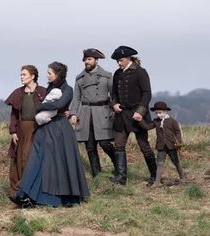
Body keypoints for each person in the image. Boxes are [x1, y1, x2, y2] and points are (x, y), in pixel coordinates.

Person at [10, 61, 90, 208]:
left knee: (58, 164)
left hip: (59, 129)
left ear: (57, 74)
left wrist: (40, 106)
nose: (47, 76)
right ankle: (25, 194)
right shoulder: (50, 88)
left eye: (50, 73)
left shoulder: (68, 89)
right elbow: (51, 104)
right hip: (45, 129)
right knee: (37, 161)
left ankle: (55, 198)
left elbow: (58, 105)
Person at [110, 46, 157, 185]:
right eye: (118, 61)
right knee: (118, 145)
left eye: (121, 60)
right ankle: (121, 177)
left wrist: (140, 112)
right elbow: (113, 94)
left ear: (129, 58)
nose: (119, 63)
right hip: (121, 115)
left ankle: (155, 176)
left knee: (144, 146)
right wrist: (114, 104)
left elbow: (147, 94)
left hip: (137, 115)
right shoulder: (117, 74)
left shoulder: (140, 72)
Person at [70, 48, 115, 177]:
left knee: (105, 143)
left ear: (96, 60)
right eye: (85, 59)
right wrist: (73, 113)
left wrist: (114, 110)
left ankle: (118, 165)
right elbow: (76, 97)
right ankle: (97, 174)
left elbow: (113, 95)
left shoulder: (107, 76)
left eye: (89, 59)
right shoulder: (79, 78)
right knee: (89, 145)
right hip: (85, 113)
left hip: (102, 112)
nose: (87, 62)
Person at [5, 65, 47, 197]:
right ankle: (16, 190)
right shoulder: (18, 92)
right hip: (21, 129)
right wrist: (13, 131)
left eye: (24, 74)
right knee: (18, 158)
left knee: (29, 157)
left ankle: (28, 188)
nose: (21, 77)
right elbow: (14, 114)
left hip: (36, 129)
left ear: (32, 76)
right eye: (21, 74)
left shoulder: (43, 92)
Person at [139, 101, 185, 187]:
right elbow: (147, 127)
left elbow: (177, 132)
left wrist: (178, 141)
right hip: (161, 146)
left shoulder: (172, 121)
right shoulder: (156, 121)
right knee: (159, 163)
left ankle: (182, 178)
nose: (158, 115)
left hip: (172, 146)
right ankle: (157, 182)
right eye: (156, 113)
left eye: (160, 113)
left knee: (176, 162)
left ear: (165, 111)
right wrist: (140, 120)